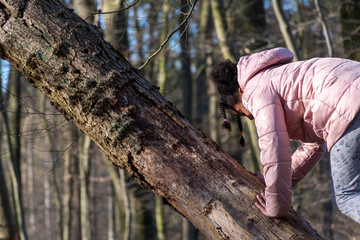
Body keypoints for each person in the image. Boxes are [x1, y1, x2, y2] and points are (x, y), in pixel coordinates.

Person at [209, 47, 360, 223]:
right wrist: (272, 182)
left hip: (350, 109)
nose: (249, 116)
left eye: (241, 112)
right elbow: (313, 145)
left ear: (240, 92)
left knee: (346, 196)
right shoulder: (280, 75)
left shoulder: (255, 90)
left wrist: (276, 205)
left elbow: (274, 146)